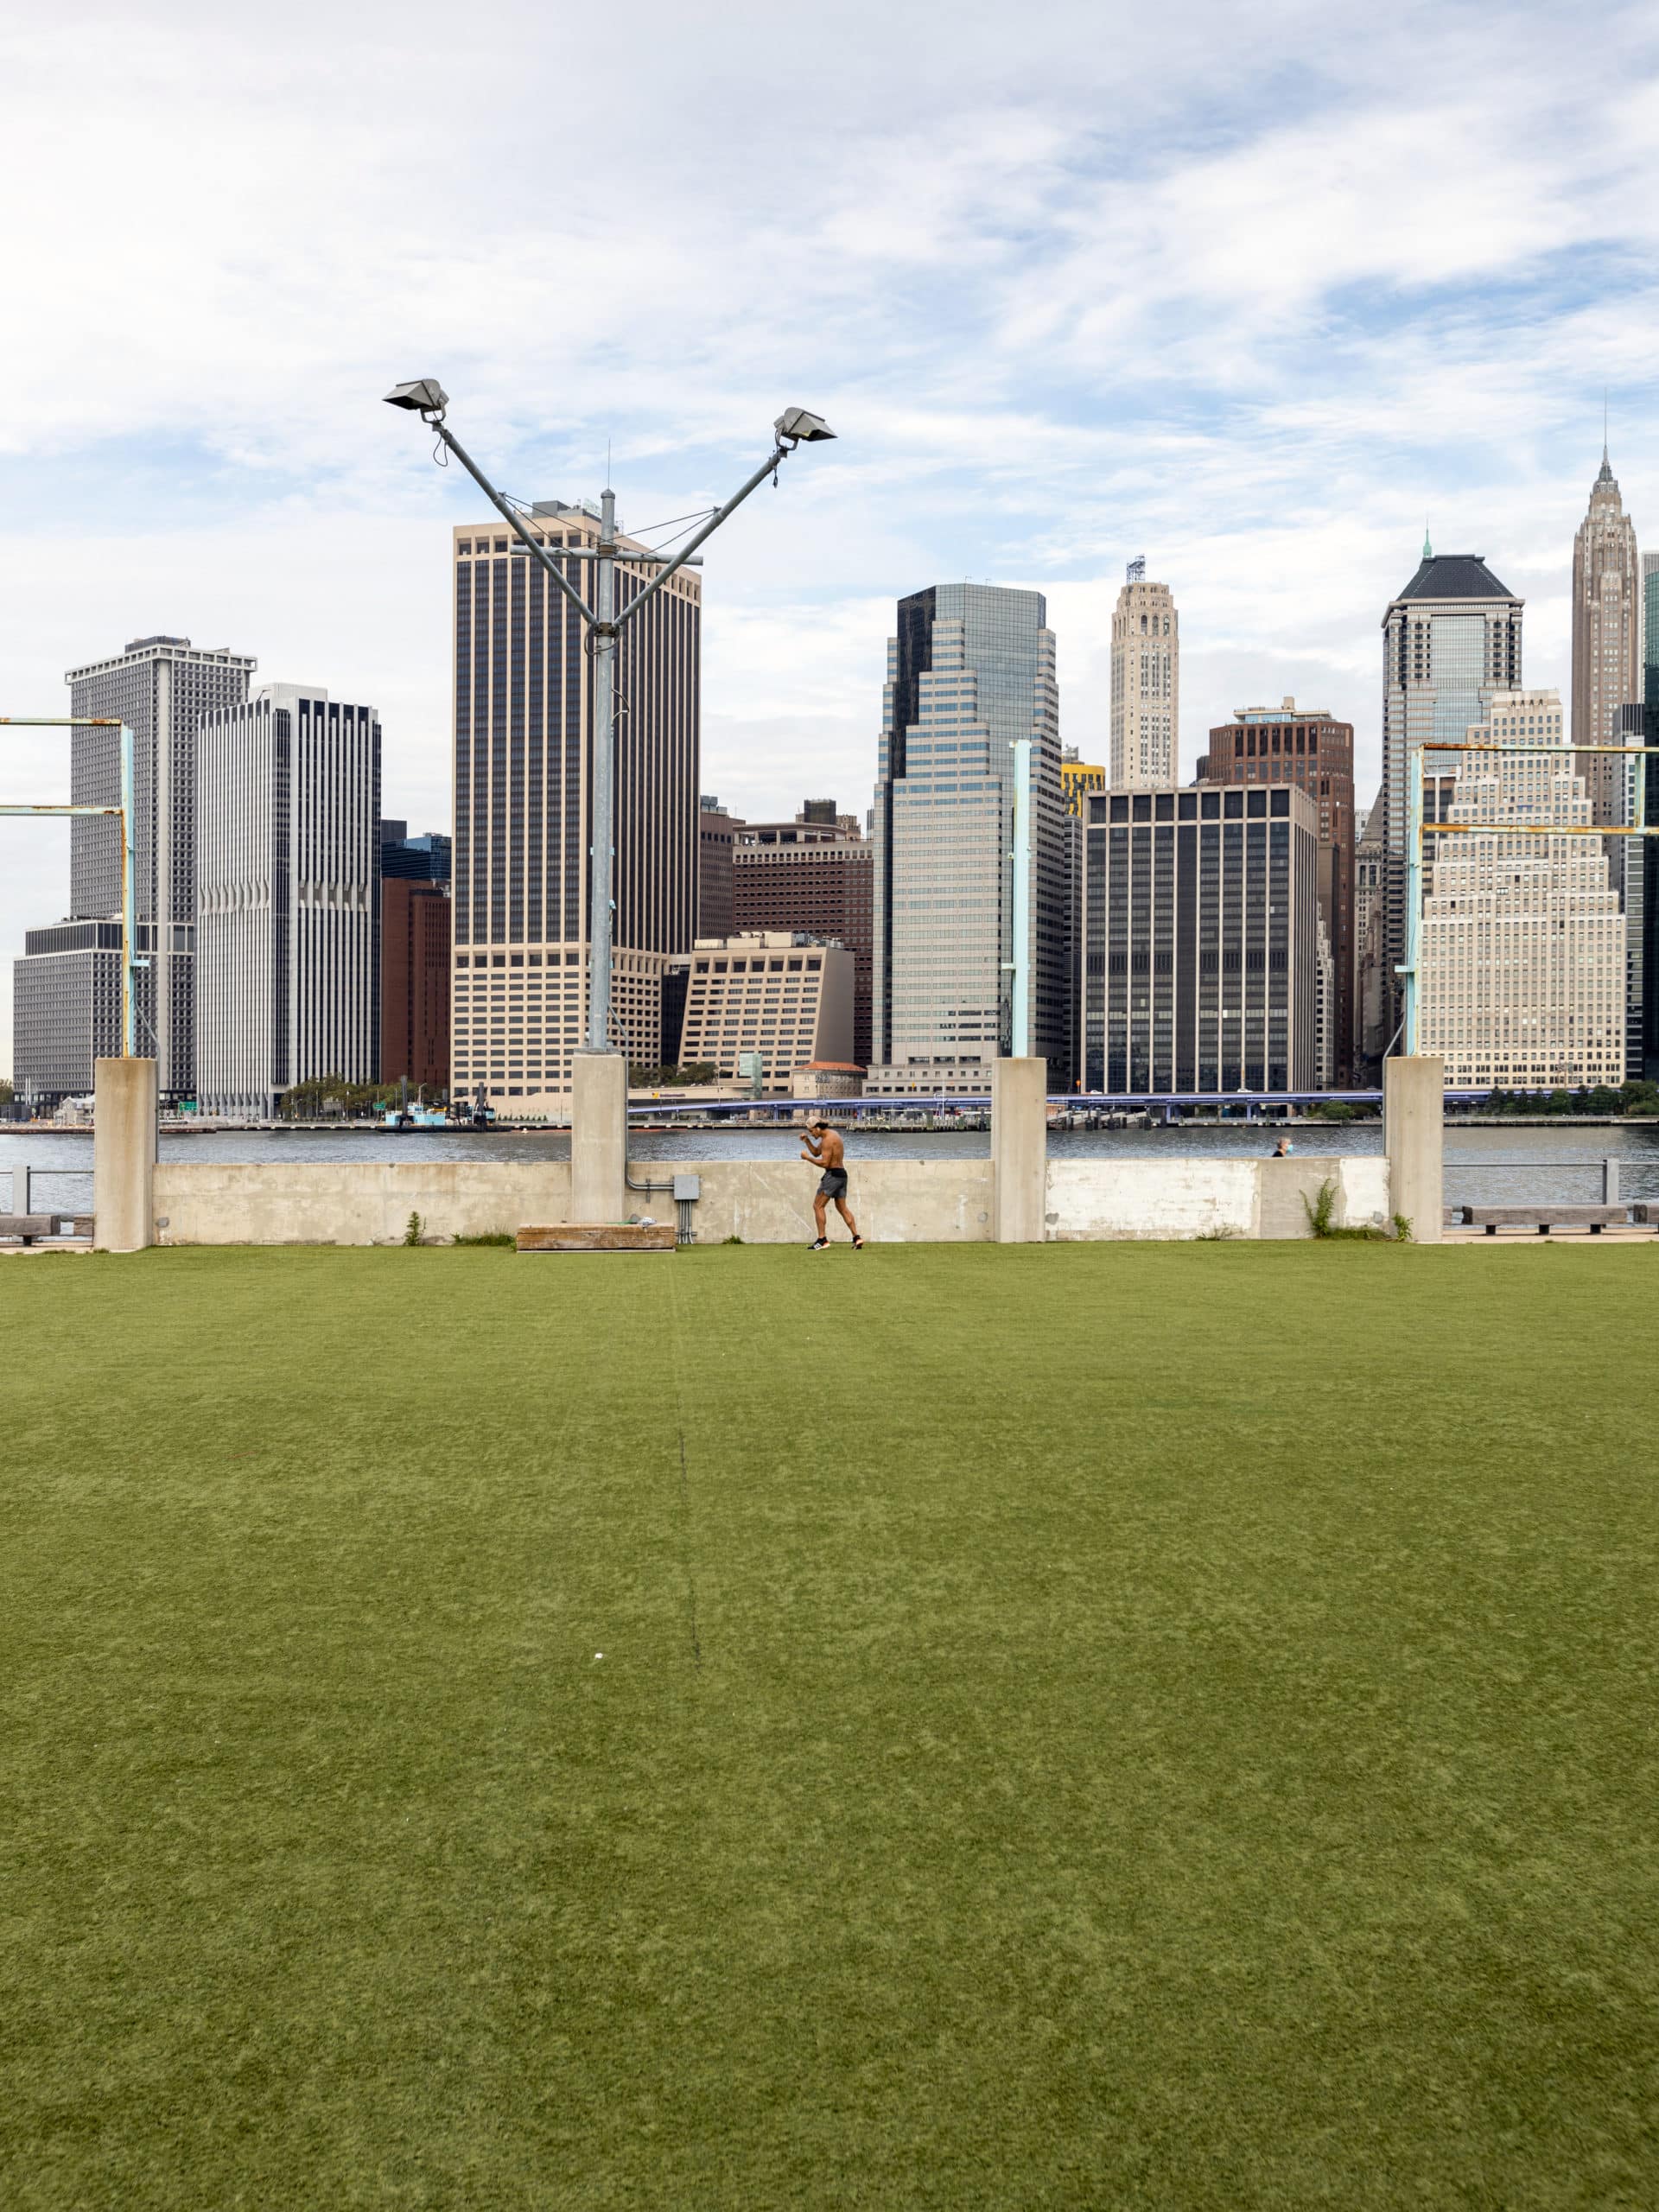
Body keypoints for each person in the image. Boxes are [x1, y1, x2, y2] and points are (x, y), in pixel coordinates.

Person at [800, 1120, 863, 1250]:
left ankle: (822, 1239)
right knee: (842, 1208)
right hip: (842, 1175)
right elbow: (817, 1152)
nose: (811, 1134)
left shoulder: (828, 1140)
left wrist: (807, 1158)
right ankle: (857, 1238)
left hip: (832, 1176)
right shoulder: (832, 1135)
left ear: (818, 1128)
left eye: (811, 1131)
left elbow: (825, 1163)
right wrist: (807, 1141)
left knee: (818, 1206)